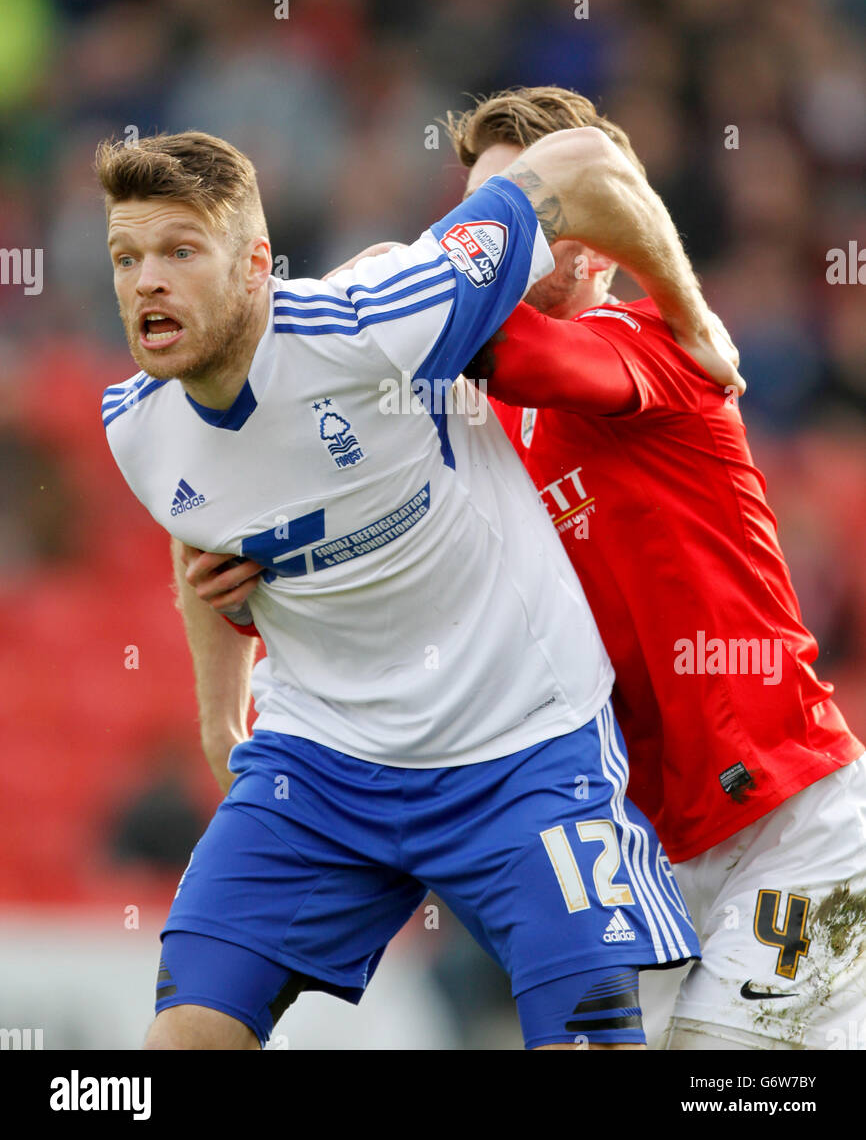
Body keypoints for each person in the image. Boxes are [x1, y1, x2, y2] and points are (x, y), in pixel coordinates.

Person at [97, 127, 738, 1051]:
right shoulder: (135, 423)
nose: (146, 281)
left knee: (590, 1041)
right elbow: (193, 512)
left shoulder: (388, 314)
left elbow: (590, 159)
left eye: (180, 252)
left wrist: (689, 313)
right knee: (183, 1040)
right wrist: (219, 718)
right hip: (321, 763)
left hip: (523, 746)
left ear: (256, 268)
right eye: (126, 257)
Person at [438, 85, 866, 1052]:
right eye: (473, 216)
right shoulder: (492, 426)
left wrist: (397, 288)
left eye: (516, 212)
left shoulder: (657, 351)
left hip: (789, 829)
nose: (484, 241)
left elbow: (502, 343)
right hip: (643, 862)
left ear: (592, 239)